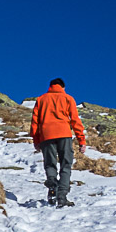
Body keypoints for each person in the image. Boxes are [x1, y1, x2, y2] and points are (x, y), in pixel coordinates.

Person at [30, 77, 86, 207]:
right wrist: (81, 140)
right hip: (64, 134)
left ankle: (52, 184)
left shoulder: (41, 99)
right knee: (66, 164)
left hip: (46, 136)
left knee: (50, 164)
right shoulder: (68, 98)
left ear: (50, 86)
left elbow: (35, 122)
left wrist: (36, 140)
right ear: (63, 87)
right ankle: (62, 196)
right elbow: (75, 120)